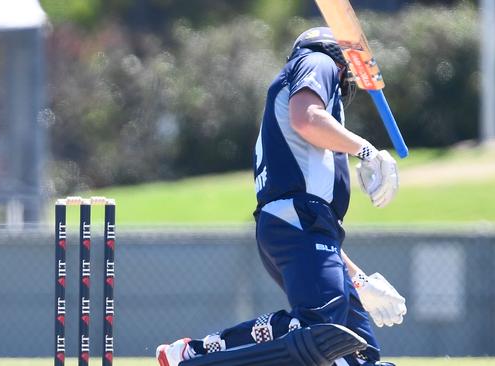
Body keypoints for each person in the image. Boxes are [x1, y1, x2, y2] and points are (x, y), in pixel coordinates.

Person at [156, 27, 407, 366]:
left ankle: (195, 353)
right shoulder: (318, 59)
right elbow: (306, 119)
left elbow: (317, 224)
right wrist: (367, 150)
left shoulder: (303, 83)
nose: (349, 75)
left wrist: (360, 281)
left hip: (300, 224)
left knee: (359, 356)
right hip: (297, 220)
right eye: (348, 64)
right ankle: (195, 355)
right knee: (320, 328)